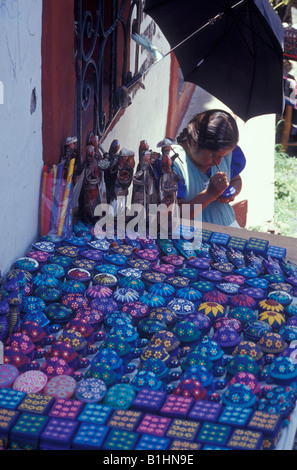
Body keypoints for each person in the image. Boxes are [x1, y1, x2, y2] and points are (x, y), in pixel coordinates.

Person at [172, 109, 244, 227]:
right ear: (195, 143)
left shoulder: (226, 154)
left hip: (228, 227)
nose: (219, 161)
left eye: (223, 156)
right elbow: (173, 217)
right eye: (213, 155)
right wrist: (209, 194)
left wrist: (231, 192)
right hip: (191, 237)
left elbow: (236, 180)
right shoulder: (174, 165)